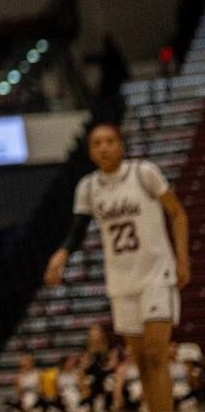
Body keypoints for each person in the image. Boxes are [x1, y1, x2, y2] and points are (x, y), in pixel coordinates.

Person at [45, 122, 192, 412]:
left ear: (121, 145)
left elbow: (177, 213)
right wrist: (61, 255)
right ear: (90, 152)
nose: (104, 147)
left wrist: (182, 258)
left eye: (110, 141)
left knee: (154, 355)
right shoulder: (87, 187)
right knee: (141, 364)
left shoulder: (143, 173)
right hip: (121, 280)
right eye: (97, 143)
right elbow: (77, 229)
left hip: (156, 274)